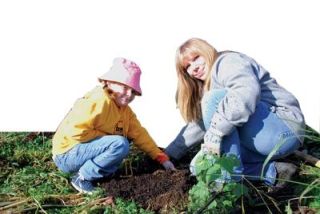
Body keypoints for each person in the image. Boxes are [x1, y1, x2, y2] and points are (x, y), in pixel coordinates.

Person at [165, 38, 305, 189]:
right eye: (187, 66)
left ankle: (228, 182)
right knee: (198, 167)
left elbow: (245, 92)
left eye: (196, 58)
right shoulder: (208, 87)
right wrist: (170, 153)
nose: (194, 68)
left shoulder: (227, 62)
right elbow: (198, 124)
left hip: (282, 128)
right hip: (259, 139)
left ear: (206, 51)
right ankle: (273, 172)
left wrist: (216, 132)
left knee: (212, 100)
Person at [52, 57, 175, 194]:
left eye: (133, 92)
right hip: (66, 154)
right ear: (110, 83)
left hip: (79, 153)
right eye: (125, 87)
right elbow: (75, 132)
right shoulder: (99, 100)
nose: (129, 95)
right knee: (119, 143)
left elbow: (139, 134)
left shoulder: (125, 111)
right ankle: (81, 177)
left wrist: (161, 158)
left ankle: (95, 172)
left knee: (122, 140)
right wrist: (109, 137)